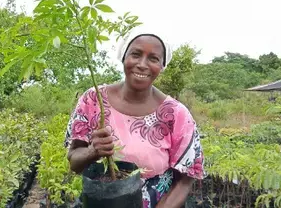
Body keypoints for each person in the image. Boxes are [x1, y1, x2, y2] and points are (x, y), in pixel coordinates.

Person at [64, 26, 206, 208]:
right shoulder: (93, 100)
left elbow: (186, 179)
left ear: (162, 66)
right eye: (136, 54)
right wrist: (93, 151)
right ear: (124, 57)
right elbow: (74, 163)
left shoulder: (176, 114)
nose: (142, 64)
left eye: (153, 58)